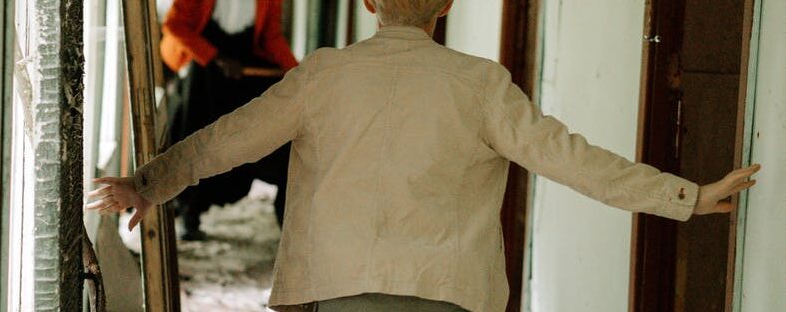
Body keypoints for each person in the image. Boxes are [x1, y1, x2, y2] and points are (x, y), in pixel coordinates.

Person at [88, 0, 762, 311]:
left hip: (333, 289)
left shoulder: (322, 76)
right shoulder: (479, 86)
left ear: (367, 5)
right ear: (444, 6)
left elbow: (225, 139)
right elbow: (572, 159)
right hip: (447, 296)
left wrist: (148, 184)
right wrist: (687, 196)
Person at [160, 0, 298, 240]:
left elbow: (271, 36)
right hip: (201, 58)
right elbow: (174, 26)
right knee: (197, 126)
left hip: (242, 58)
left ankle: (279, 195)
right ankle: (188, 210)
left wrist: (297, 72)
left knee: (262, 120)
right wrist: (216, 57)